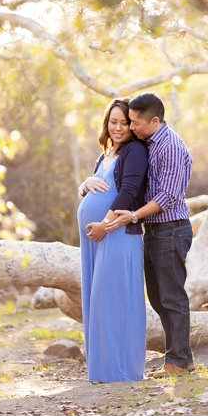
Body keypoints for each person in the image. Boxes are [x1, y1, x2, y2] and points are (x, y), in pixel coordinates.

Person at [105, 92, 195, 377]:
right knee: (158, 299)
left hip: (171, 230)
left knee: (173, 298)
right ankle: (182, 358)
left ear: (154, 121)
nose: (130, 127)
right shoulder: (149, 142)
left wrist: (132, 216)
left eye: (134, 123)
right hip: (155, 230)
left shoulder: (169, 146)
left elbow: (167, 197)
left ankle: (177, 362)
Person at [77, 98, 148, 383]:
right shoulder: (105, 154)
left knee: (115, 301)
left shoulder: (135, 151)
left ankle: (122, 371)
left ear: (132, 126)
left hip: (116, 234)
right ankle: (102, 370)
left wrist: (104, 226)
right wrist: (84, 184)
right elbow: (89, 190)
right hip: (95, 239)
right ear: (107, 123)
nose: (118, 128)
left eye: (123, 122)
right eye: (113, 122)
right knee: (96, 302)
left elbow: (129, 192)